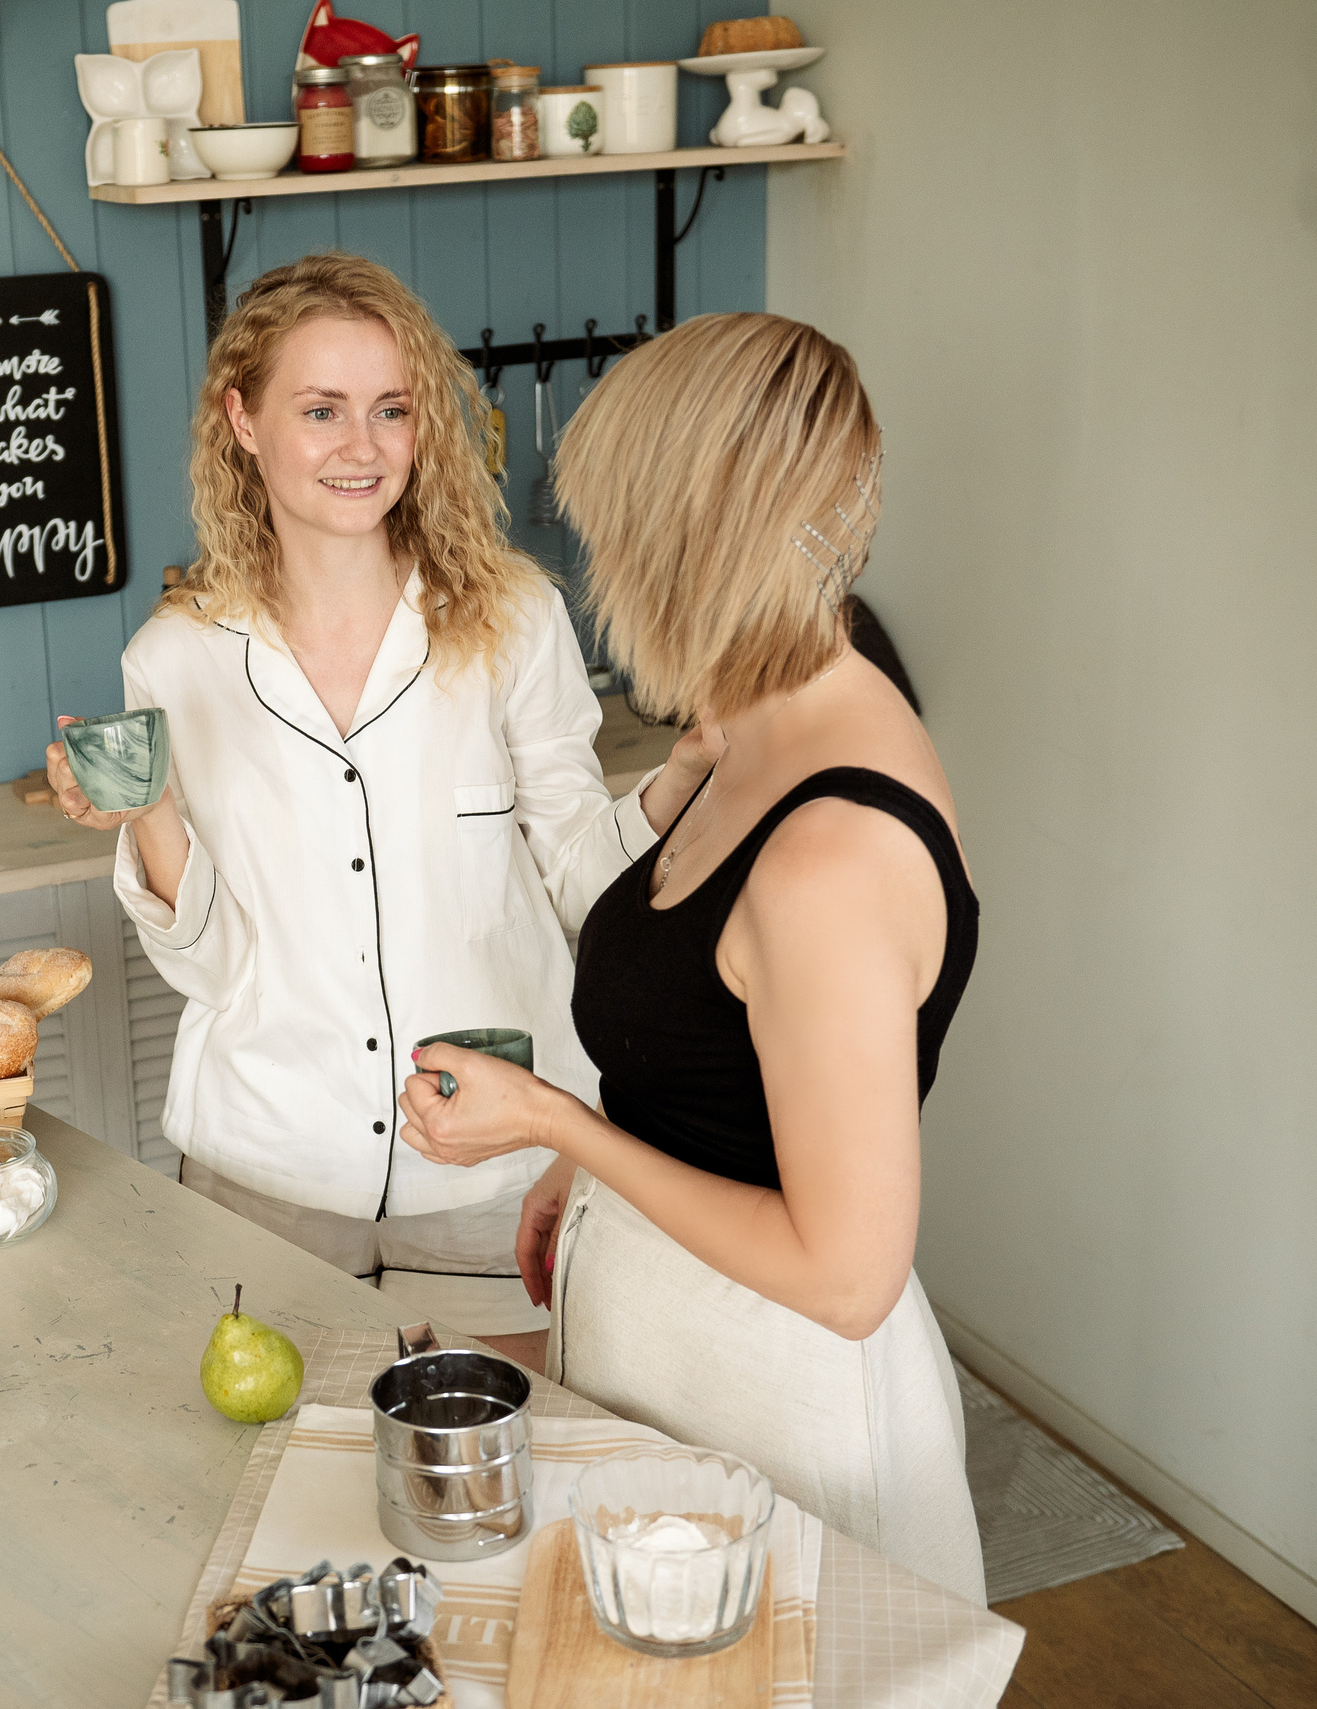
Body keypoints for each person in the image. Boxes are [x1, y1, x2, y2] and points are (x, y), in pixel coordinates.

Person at [394, 313, 988, 1605]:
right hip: (676, 1353)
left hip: (785, 1410)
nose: (600, 564)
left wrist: (556, 1119)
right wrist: (586, 1158)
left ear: (687, 543)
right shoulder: (761, 711)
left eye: (612, 530)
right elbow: (719, 1040)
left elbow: (845, 1276)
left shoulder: (829, 856)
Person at [46, 252, 711, 1339]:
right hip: (267, 1167)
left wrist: (683, 773)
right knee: (265, 1482)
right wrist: (148, 809)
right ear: (243, 422)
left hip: (489, 1162)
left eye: (391, 410)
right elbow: (209, 969)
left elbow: (586, 883)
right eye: (321, 410)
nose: (362, 447)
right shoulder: (178, 657)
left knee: (490, 1477)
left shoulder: (514, 620)